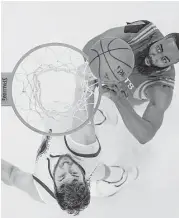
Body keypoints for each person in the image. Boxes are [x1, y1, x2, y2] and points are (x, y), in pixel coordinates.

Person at [1, 69, 138, 215]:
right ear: (84, 179)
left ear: (54, 186)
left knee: (62, 114)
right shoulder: (83, 147)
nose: (66, 166)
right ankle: (122, 178)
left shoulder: (42, 190)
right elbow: (82, 105)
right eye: (74, 173)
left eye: (61, 176)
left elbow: (10, 174)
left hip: (57, 121)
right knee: (106, 171)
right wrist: (85, 82)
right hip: (83, 152)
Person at [83, 20, 179, 144]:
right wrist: (101, 72)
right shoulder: (142, 31)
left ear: (172, 64)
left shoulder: (162, 87)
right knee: (83, 74)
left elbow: (145, 136)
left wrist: (119, 100)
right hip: (105, 81)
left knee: (110, 133)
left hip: (128, 102)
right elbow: (88, 48)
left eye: (164, 59)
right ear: (162, 38)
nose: (155, 57)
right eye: (159, 49)